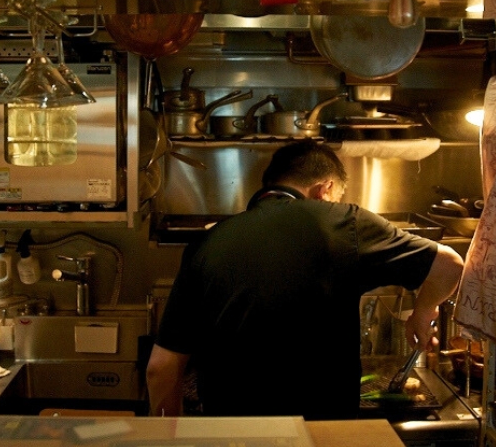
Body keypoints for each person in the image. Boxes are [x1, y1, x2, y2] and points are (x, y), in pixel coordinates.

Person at [146, 140, 464, 419]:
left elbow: (161, 369)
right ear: (324, 190)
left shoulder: (208, 243)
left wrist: (169, 436)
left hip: (234, 433)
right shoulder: (344, 222)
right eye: (337, 196)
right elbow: (449, 264)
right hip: (322, 433)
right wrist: (422, 314)